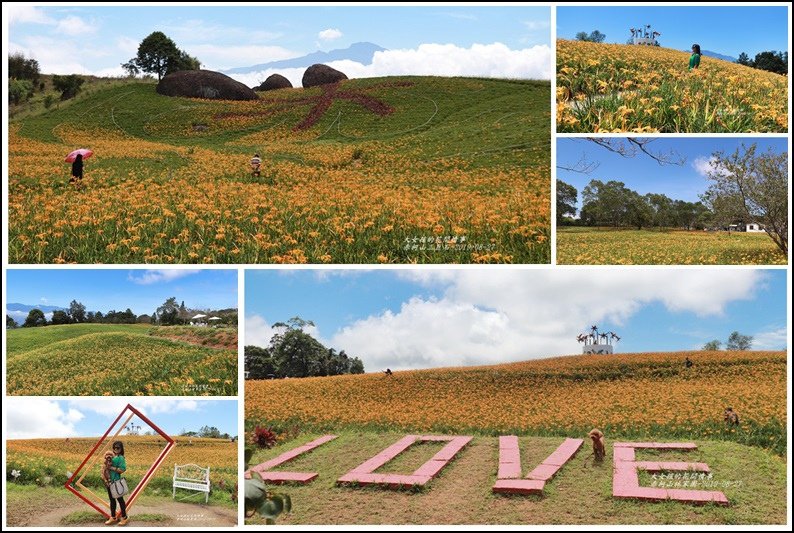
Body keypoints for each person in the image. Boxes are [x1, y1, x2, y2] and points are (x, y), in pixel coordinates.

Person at [104, 441, 129, 526]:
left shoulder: (121, 458)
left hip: (116, 482)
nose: (116, 449)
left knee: (120, 500)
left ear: (121, 448)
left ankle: (125, 517)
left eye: (118, 448)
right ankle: (113, 517)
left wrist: (111, 467)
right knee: (112, 500)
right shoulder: (113, 457)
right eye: (114, 447)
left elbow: (122, 469)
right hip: (110, 482)